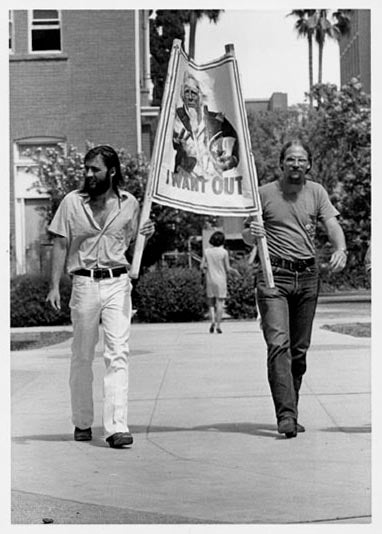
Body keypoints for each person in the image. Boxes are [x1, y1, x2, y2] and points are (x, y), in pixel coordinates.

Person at [46, 145, 155, 449]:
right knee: (82, 355)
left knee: (118, 352)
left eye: (95, 169)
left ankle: (116, 427)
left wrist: (147, 230)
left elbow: (134, 239)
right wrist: (54, 286)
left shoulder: (130, 203)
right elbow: (59, 243)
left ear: (112, 171)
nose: (88, 174)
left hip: (117, 282)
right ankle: (82, 421)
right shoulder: (71, 202)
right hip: (84, 284)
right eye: (86, 168)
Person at [242, 140, 347, 438]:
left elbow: (331, 223)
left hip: (307, 276)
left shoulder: (317, 192)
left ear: (309, 164)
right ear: (282, 163)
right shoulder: (263, 193)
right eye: (291, 159)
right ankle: (285, 415)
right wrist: (253, 232)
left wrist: (341, 248)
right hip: (273, 276)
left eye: (302, 160)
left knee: (299, 351)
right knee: (278, 345)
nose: (296, 164)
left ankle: (292, 407)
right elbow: (246, 235)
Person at [173, 71, 239, 177]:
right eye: (186, 92)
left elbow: (235, 153)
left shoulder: (219, 122)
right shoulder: (176, 120)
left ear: (203, 96)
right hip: (185, 186)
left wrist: (226, 163)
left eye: (193, 93)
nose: (189, 97)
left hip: (211, 186)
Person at [201, 231, 239, 334]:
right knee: (220, 303)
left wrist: (206, 269)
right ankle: (218, 324)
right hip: (221, 279)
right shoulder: (224, 252)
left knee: (211, 303)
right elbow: (228, 268)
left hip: (210, 278)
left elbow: (202, 266)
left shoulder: (207, 251)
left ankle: (212, 320)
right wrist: (235, 272)